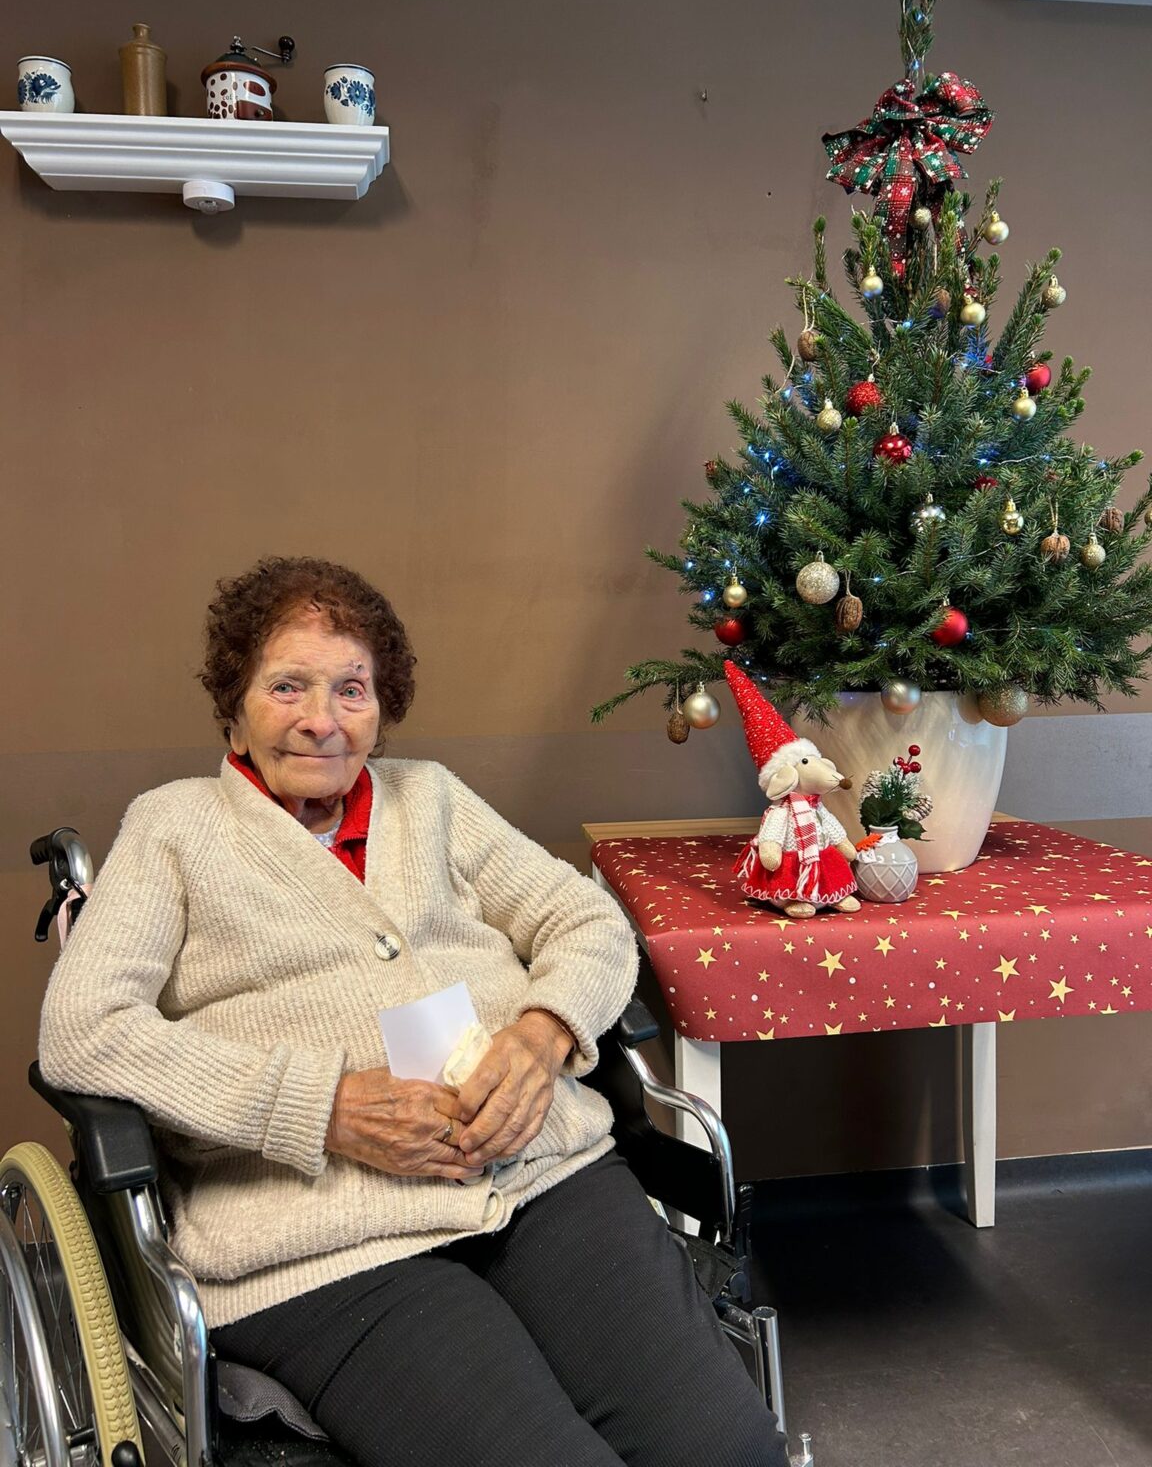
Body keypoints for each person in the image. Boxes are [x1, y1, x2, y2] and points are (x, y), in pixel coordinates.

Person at [39, 556, 788, 1467]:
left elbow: (585, 919)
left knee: (728, 1448)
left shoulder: (430, 797)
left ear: (381, 706)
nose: (322, 719)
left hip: (539, 1176)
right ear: (233, 703)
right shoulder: (173, 828)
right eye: (287, 686)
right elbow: (84, 1031)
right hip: (326, 1243)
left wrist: (544, 1034)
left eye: (351, 689)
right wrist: (322, 1107)